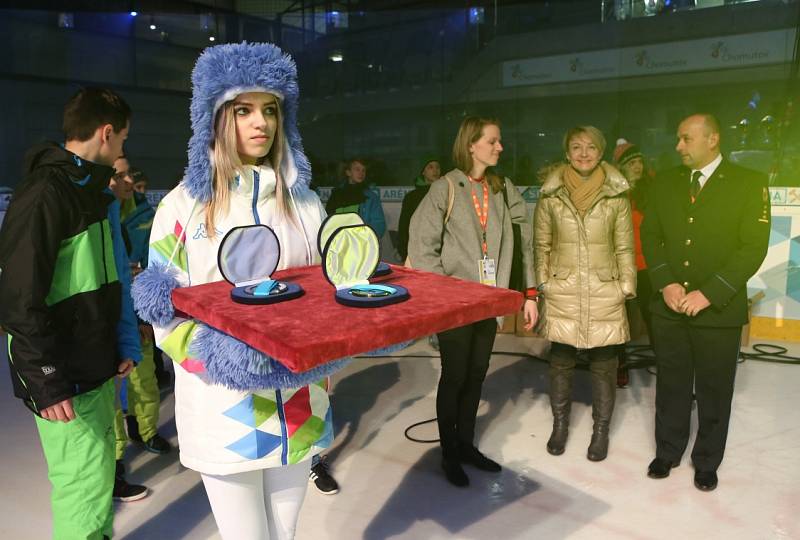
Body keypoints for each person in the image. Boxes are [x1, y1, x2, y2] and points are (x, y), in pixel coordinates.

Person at [132, 42, 344, 539]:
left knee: (285, 534)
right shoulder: (183, 208)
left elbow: (326, 298)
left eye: (270, 109)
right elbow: (164, 310)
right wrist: (218, 360)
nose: (261, 123)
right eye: (244, 109)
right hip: (221, 404)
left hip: (298, 400)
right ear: (216, 116)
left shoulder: (306, 204)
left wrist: (326, 357)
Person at [0, 87, 138, 539]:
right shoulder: (44, 194)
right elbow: (18, 299)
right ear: (105, 133)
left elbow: (107, 281)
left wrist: (121, 342)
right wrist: (46, 379)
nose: (122, 150)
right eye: (121, 140)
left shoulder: (93, 194)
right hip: (64, 376)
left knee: (98, 479)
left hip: (94, 366)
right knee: (81, 486)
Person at [642, 113, 770, 492]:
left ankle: (707, 460)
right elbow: (651, 236)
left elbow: (753, 248)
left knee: (715, 388)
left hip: (718, 310)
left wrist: (710, 293)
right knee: (671, 383)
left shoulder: (749, 184)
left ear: (712, 139)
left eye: (686, 139)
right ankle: (667, 451)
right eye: (679, 139)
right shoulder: (665, 183)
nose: (678, 146)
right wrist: (664, 282)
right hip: (669, 306)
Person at [409, 116, 537, 487]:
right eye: (493, 141)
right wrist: (447, 294)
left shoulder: (501, 187)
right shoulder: (445, 188)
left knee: (477, 375)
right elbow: (422, 248)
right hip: (456, 306)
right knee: (454, 377)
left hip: (489, 302)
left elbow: (522, 238)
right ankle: (449, 453)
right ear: (471, 145)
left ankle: (466, 445)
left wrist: (528, 290)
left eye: (499, 141)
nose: (500, 147)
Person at [533, 125, 635, 462]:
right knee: (560, 362)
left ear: (601, 151)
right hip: (563, 289)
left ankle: (600, 430)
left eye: (591, 147)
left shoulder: (616, 195)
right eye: (576, 147)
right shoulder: (550, 195)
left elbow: (624, 246)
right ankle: (560, 425)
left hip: (604, 288)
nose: (583, 153)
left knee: (605, 364)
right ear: (567, 152)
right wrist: (545, 284)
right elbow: (541, 245)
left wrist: (625, 286)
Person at [108, 162, 173, 460]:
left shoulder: (148, 217)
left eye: (127, 173)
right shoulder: (91, 216)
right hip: (103, 322)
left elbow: (156, 269)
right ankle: (116, 455)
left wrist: (145, 316)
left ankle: (146, 431)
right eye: (117, 175)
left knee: (145, 382)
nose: (126, 181)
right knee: (109, 395)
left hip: (137, 318)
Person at [613, 139, 654, 387]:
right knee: (621, 320)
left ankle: (667, 363)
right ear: (621, 167)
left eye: (640, 161)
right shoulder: (615, 193)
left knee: (653, 316)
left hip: (647, 266)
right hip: (621, 267)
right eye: (632, 162)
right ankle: (620, 364)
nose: (638, 166)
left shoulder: (650, 191)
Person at [325, 158, 386, 238]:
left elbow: (378, 223)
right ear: (348, 172)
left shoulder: (371, 197)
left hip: (363, 243)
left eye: (363, 170)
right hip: (339, 243)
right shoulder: (336, 194)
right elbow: (329, 220)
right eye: (357, 169)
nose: (361, 173)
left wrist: (366, 239)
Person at [397, 158, 441, 261]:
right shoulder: (412, 197)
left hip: (442, 252)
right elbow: (404, 225)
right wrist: (404, 251)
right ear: (423, 172)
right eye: (430, 167)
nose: (435, 170)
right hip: (417, 251)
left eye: (438, 167)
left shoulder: (446, 193)